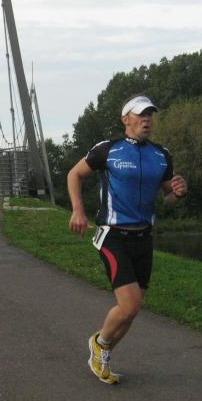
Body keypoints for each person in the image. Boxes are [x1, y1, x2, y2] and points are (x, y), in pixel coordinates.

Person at [67, 94, 187, 384]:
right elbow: (74, 174)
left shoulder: (161, 155)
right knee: (129, 305)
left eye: (150, 115)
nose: (147, 120)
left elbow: (168, 197)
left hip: (144, 238)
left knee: (132, 310)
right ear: (125, 119)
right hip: (112, 235)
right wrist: (78, 210)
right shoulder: (108, 150)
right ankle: (99, 344)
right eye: (140, 114)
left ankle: (103, 351)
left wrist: (178, 192)